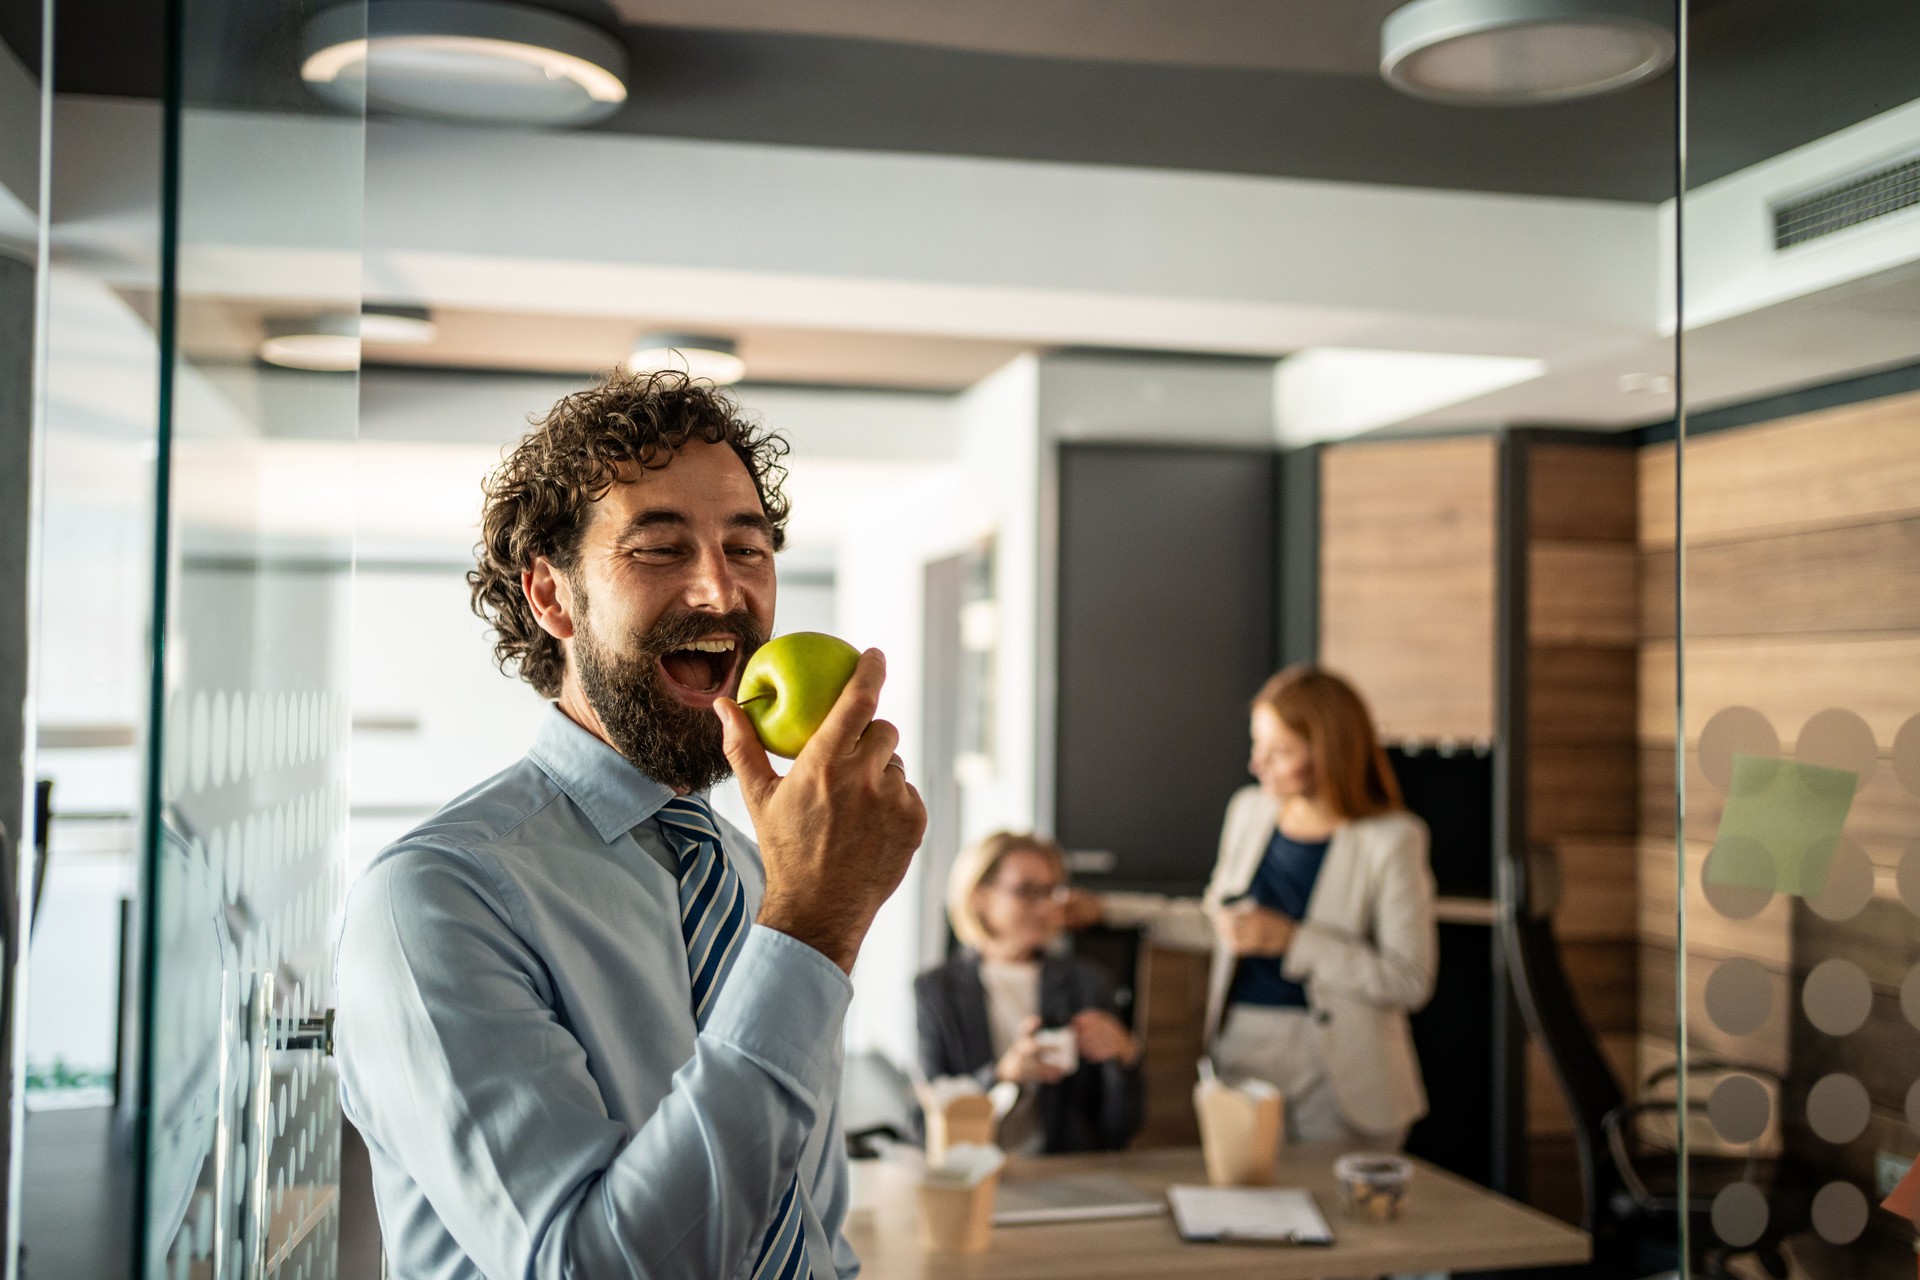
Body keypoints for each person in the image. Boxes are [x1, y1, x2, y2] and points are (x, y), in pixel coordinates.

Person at [334, 370, 926, 1279]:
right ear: (552, 597)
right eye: (658, 550)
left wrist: (806, 917)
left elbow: (805, 1222)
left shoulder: (763, 874)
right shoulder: (435, 900)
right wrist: (812, 931)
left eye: (749, 548)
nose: (719, 592)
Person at [1063, 665, 1436, 1149]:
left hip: (1344, 1071)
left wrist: (1292, 941)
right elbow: (1219, 924)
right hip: (1244, 1047)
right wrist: (1106, 910)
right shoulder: (1249, 812)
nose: (1258, 765)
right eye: (1257, 745)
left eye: (1279, 752)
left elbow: (1409, 979)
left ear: (1330, 753)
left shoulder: (1393, 839)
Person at [915, 833, 1143, 1154]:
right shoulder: (936, 991)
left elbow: (1121, 1129)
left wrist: (1125, 1057)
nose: (1044, 906)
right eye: (1025, 891)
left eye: (1050, 891)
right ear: (980, 895)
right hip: (976, 1172)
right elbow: (928, 1120)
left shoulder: (1087, 984)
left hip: (1064, 1175)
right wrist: (1003, 1076)